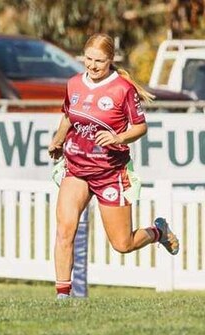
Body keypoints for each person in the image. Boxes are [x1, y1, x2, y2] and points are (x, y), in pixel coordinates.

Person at [47, 33, 180, 299]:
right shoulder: (73, 84)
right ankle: (62, 297)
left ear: (111, 60)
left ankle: (158, 231)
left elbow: (140, 126)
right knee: (64, 230)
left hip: (110, 173)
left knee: (123, 244)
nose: (92, 66)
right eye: (88, 59)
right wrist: (58, 141)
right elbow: (68, 116)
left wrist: (118, 137)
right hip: (76, 168)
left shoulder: (122, 88)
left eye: (100, 61)